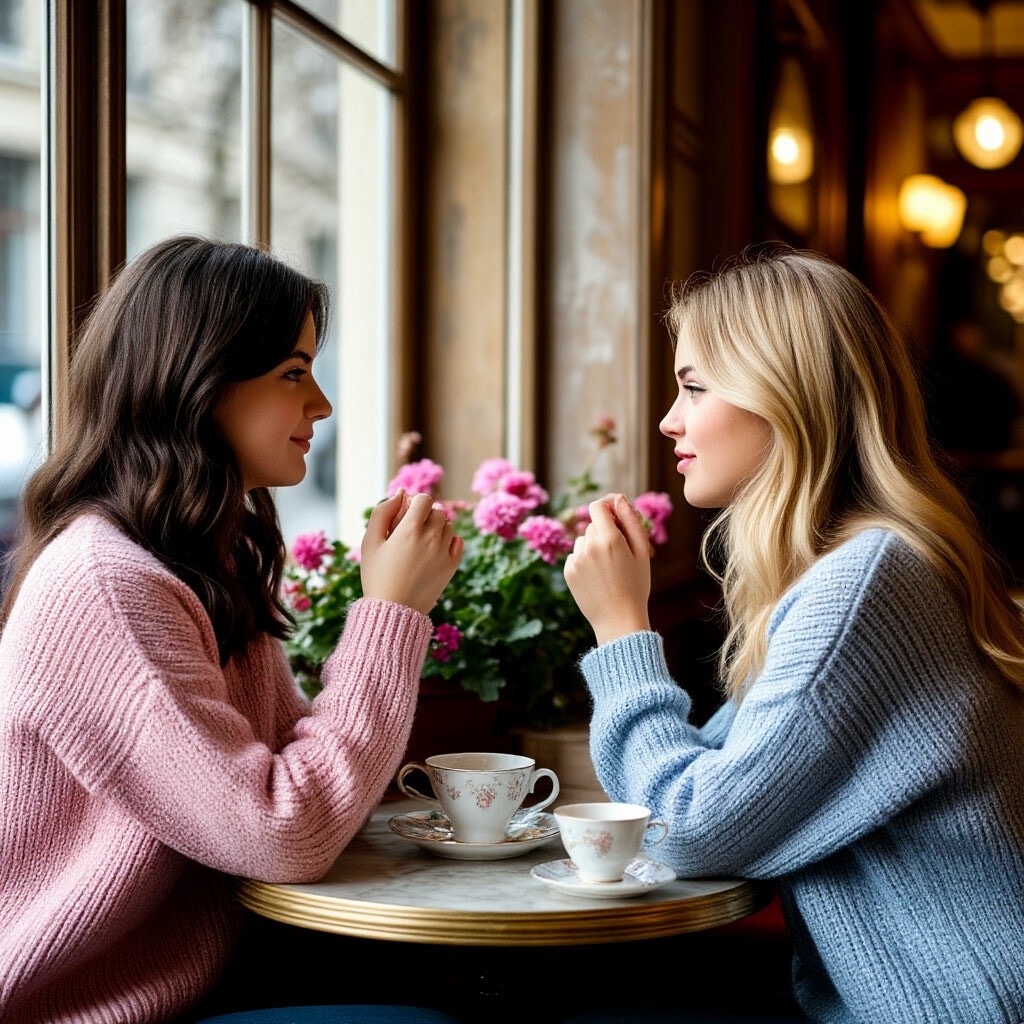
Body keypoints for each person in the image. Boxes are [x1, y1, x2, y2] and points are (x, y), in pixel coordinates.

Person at [0, 236, 465, 1024]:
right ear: (199, 384)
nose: (320, 405)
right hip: (94, 1007)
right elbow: (286, 832)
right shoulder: (109, 586)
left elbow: (293, 777)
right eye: (293, 373)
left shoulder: (199, 559)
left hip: (223, 968)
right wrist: (391, 613)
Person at [562, 246, 1024, 1024]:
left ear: (787, 397)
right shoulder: (861, 563)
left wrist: (620, 630)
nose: (670, 420)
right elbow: (721, 769)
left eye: (694, 387)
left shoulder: (866, 580)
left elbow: (689, 826)